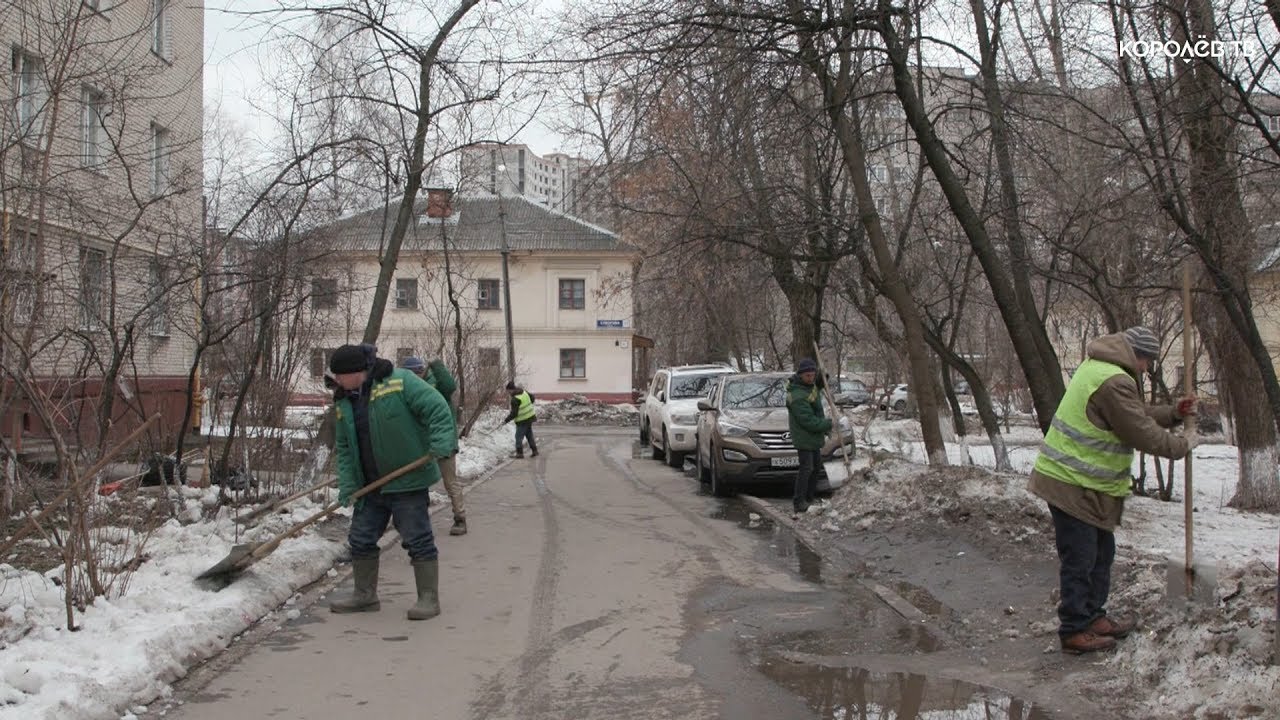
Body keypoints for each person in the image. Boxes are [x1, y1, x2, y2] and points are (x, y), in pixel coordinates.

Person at [1028, 326, 1196, 655]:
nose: (1147, 369)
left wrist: (1173, 414)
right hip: (1071, 483)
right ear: (1136, 356)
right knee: (1082, 558)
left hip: (1086, 485)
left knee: (1102, 553)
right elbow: (1140, 431)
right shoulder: (1114, 379)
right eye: (1147, 362)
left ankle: (1093, 617)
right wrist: (1182, 445)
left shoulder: (1099, 368)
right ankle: (1074, 629)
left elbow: (1135, 414)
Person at [327, 343, 457, 621]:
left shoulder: (400, 381)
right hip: (370, 485)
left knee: (417, 538)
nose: (336, 380)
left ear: (357, 371)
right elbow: (346, 447)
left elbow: (438, 409)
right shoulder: (343, 400)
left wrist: (441, 443)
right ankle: (365, 595)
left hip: (406, 480)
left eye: (340, 375)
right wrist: (349, 486)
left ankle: (428, 598)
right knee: (360, 540)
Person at [401, 357, 467, 536]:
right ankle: (419, 522)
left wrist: (437, 365)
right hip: (422, 445)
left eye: (414, 373)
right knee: (419, 484)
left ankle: (460, 518)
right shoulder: (408, 391)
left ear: (421, 372)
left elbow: (450, 385)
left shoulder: (437, 387)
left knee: (450, 482)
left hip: (444, 443)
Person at [786, 358, 832, 515]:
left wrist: (822, 379)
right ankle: (799, 501)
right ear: (800, 376)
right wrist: (828, 424)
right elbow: (809, 421)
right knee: (807, 468)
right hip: (804, 436)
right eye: (808, 376)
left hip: (812, 437)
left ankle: (809, 498)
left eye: (813, 375)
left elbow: (814, 390)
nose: (811, 379)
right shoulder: (797, 395)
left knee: (816, 467)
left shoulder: (808, 387)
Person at [502, 381, 539, 458]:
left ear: (511, 390)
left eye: (508, 391)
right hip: (530, 417)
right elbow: (532, 398)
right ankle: (535, 450)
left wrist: (506, 420)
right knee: (529, 435)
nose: (508, 393)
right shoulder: (523, 392)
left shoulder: (515, 399)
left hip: (523, 420)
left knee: (518, 437)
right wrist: (528, 405)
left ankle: (519, 454)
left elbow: (514, 414)